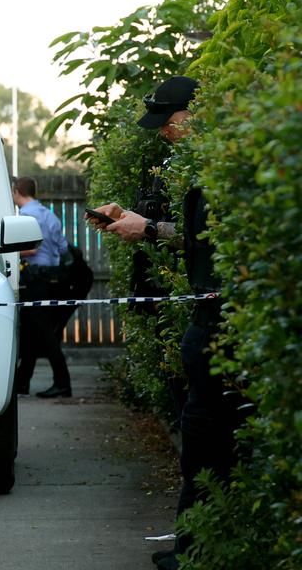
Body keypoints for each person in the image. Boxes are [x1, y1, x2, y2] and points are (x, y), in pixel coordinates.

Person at [88, 76, 241, 570]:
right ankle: (193, 549)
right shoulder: (208, 169)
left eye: (170, 126)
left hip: (219, 324)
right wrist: (141, 224)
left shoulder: (223, 171)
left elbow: (216, 243)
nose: (165, 136)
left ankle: (197, 553)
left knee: (207, 440)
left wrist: (148, 227)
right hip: (208, 319)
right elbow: (198, 239)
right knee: (201, 440)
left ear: (195, 117)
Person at [12, 176, 71, 399]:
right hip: (51, 278)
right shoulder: (48, 214)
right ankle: (22, 382)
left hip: (36, 279)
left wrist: (5, 251)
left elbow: (31, 248)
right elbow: (62, 246)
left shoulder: (27, 216)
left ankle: (63, 383)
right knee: (29, 330)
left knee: (45, 334)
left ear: (17, 191)